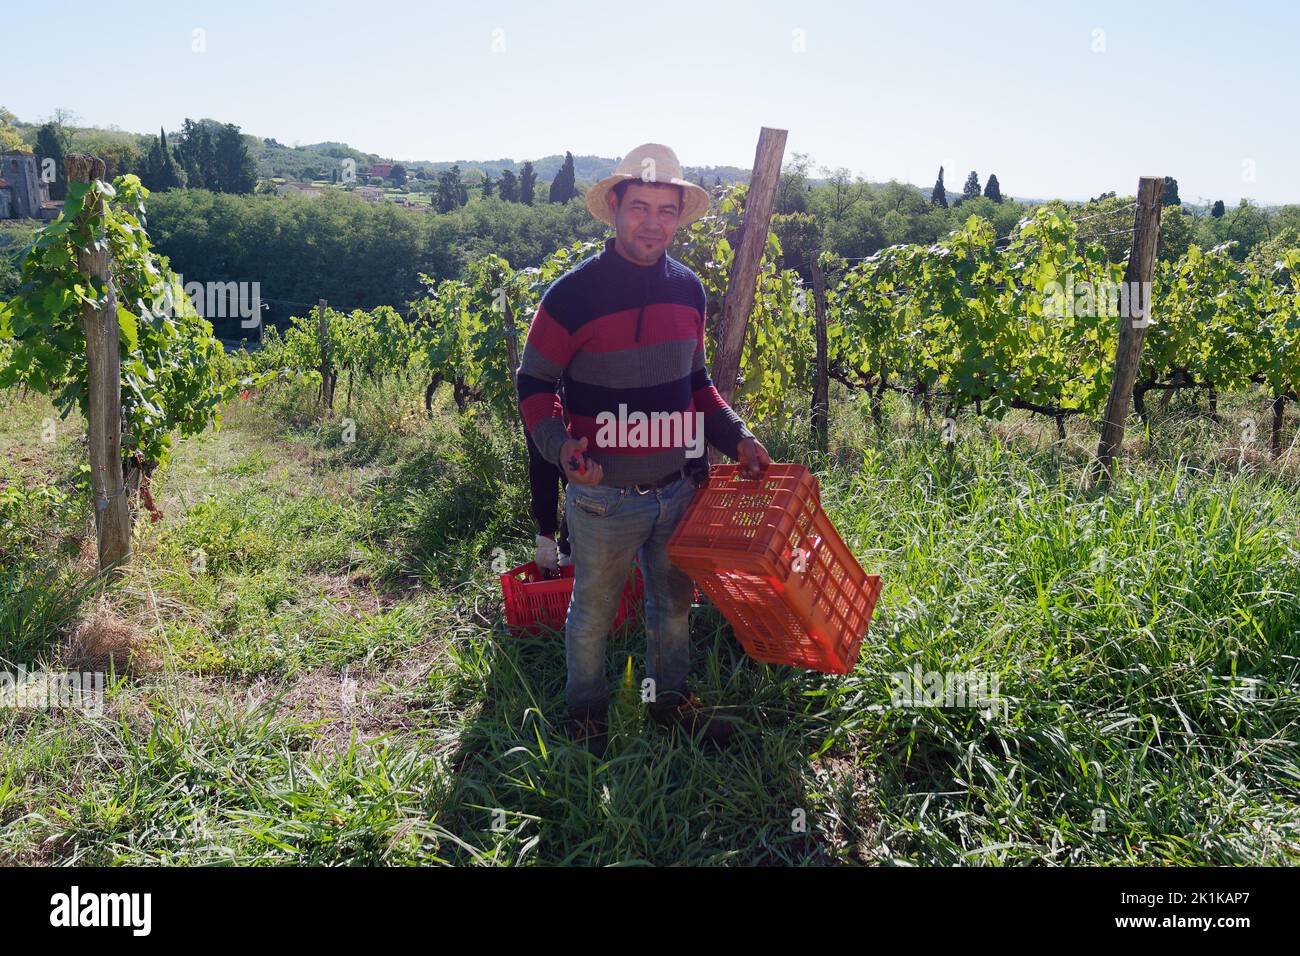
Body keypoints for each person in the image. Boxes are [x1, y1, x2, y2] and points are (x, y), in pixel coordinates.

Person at [515, 143, 770, 757]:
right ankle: (586, 718)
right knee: (593, 612)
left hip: (680, 488)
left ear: (679, 216)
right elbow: (533, 383)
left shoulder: (689, 292)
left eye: (665, 209)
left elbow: (697, 383)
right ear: (616, 209)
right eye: (640, 207)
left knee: (673, 608)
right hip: (603, 495)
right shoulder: (571, 296)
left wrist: (736, 437)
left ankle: (669, 707)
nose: (653, 222)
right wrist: (559, 446)